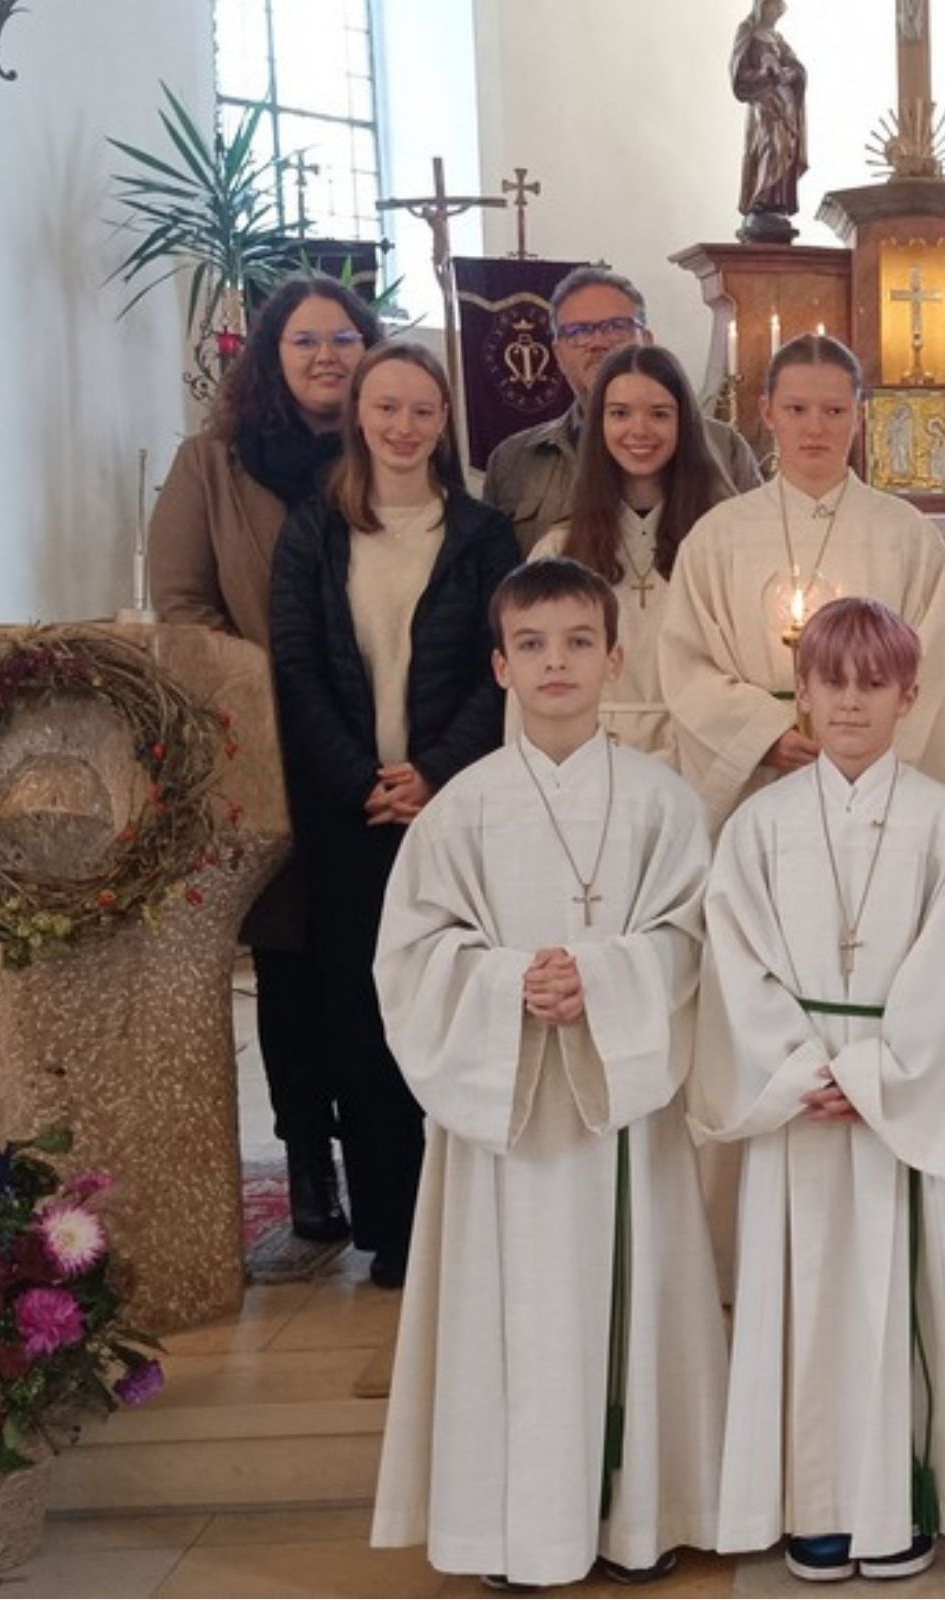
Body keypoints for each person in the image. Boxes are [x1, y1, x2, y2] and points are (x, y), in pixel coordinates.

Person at [369, 558, 726, 1588]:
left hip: (623, 1109)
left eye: (577, 642)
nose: (555, 663)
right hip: (508, 1117)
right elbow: (411, 955)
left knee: (633, 1293)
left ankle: (641, 1518)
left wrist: (606, 977)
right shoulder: (461, 810)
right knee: (512, 1315)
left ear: (616, 658)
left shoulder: (664, 803)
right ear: (500, 665)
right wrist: (507, 982)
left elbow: (696, 941)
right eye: (532, 645)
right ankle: (516, 1530)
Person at [695, 597, 945, 1583]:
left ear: (910, 696)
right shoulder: (760, 824)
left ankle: (905, 1498)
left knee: (904, 1297)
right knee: (809, 1300)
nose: (850, 702)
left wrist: (873, 1075)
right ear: (800, 693)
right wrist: (801, 1068)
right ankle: (817, 1504)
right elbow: (732, 958)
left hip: (900, 1098)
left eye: (874, 684)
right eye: (830, 682)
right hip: (798, 1103)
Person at [268, 342, 521, 1289]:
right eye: (386, 408)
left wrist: (436, 774)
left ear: (445, 419)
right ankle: (395, 1226)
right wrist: (360, 780)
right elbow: (295, 664)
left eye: (422, 410)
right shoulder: (314, 529)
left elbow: (501, 668)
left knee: (455, 1008)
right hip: (350, 818)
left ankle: (472, 1221)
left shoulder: (483, 534)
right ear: (359, 417)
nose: (404, 427)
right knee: (366, 1019)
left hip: (454, 812)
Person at [150, 271, 380, 1245]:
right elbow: (181, 605)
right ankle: (308, 1157)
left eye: (344, 339)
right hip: (269, 750)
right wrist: (264, 690)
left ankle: (382, 1148)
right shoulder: (212, 463)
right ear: (271, 356)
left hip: (375, 745)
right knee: (290, 966)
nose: (327, 356)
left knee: (370, 957)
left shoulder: (390, 449)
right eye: (305, 341)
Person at [658, 334, 945, 836]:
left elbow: (932, 666)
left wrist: (860, 746)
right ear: (767, 412)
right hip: (759, 779)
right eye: (796, 409)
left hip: (872, 780)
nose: (815, 428)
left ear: (859, 415)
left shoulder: (907, 535)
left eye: (834, 411)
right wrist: (762, 734)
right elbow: (686, 663)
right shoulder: (720, 535)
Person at [526, 343, 744, 762]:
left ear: (683, 424)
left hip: (701, 753)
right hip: (589, 755)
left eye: (659, 414)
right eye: (620, 413)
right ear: (599, 424)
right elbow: (531, 682)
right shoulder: (558, 551)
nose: (639, 430)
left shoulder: (720, 542)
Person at [482, 266, 761, 554]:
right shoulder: (514, 460)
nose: (598, 342)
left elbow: (758, 548)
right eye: (578, 332)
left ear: (647, 340)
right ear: (558, 354)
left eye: (616, 326)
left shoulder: (723, 446)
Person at [732, 0, 807, 239]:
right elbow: (738, 74)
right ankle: (761, 200)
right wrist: (764, 73)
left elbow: (797, 67)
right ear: (761, 6)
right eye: (771, 6)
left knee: (785, 150)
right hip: (763, 103)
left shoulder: (777, 39)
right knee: (771, 146)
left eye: (778, 6)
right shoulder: (748, 30)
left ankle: (777, 202)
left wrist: (790, 73)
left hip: (786, 107)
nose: (775, 11)